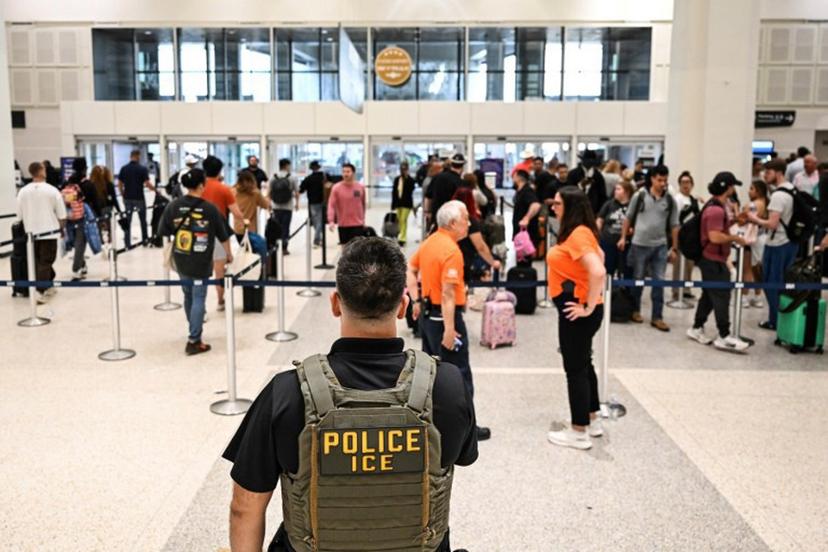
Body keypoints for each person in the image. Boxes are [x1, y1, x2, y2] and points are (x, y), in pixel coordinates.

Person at [223, 237, 477, 552]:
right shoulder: (448, 386)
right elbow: (462, 457)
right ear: (403, 307)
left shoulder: (287, 393)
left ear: (334, 303)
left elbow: (245, 507)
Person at [408, 200, 491, 442]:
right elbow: (448, 293)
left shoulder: (430, 241)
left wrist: (415, 299)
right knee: (459, 374)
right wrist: (450, 328)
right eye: (466, 218)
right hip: (444, 319)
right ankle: (467, 430)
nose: (469, 222)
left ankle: (433, 423)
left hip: (427, 316)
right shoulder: (451, 251)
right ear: (454, 222)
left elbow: (409, 269)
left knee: (431, 372)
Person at [545, 186, 607, 450]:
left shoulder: (579, 234)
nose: (553, 208)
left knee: (575, 370)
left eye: (558, 204)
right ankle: (592, 419)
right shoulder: (581, 232)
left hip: (577, 311)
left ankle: (578, 430)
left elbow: (598, 270)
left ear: (570, 207)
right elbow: (600, 256)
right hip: (577, 307)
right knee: (584, 364)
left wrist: (588, 306)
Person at [158, 169, 233, 356]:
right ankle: (194, 340)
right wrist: (229, 254)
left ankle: (193, 329)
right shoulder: (209, 208)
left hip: (181, 257)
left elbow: (163, 231)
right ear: (201, 185)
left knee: (188, 295)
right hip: (201, 260)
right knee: (199, 296)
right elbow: (223, 235)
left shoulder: (173, 206)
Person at [686, 173, 749, 352]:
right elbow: (714, 236)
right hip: (712, 260)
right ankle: (724, 335)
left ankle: (696, 327)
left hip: (713, 258)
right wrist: (735, 237)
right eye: (732, 186)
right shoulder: (716, 210)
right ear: (727, 187)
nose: (734, 189)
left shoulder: (715, 206)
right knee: (721, 294)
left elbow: (717, 228)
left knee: (709, 295)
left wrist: (735, 221)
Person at [620, 164, 679, 332]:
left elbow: (675, 225)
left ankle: (657, 317)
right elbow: (628, 218)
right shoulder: (639, 196)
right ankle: (635, 310)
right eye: (660, 180)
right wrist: (623, 237)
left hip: (660, 246)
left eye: (665, 180)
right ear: (652, 179)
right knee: (638, 279)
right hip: (639, 244)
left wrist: (674, 248)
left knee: (659, 282)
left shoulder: (669, 200)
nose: (663, 183)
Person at [746, 159, 798, 330]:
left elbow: (772, 224)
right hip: (791, 242)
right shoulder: (792, 189)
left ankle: (775, 321)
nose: (765, 175)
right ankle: (781, 319)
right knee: (782, 283)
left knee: (771, 282)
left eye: (768, 172)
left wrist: (754, 219)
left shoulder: (777, 195)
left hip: (777, 244)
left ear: (778, 173)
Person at [201, 155, 248, 312]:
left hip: (198, 232)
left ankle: (200, 306)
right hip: (218, 234)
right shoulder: (224, 189)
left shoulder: (198, 187)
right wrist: (244, 220)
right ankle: (220, 301)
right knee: (219, 270)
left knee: (199, 272)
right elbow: (236, 213)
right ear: (220, 170)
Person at [16, 162, 66, 303]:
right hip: (49, 231)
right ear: (42, 171)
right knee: (46, 261)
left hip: (31, 233)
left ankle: (48, 284)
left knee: (39, 261)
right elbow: (62, 214)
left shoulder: (23, 191)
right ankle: (40, 290)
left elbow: (19, 216)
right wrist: (62, 229)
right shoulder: (52, 190)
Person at [452, 187, 501, 283]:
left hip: (450, 257)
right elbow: (480, 246)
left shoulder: (448, 217)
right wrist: (492, 261)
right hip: (466, 260)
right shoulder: (469, 220)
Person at [671, 171, 701, 300]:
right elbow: (675, 220)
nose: (685, 185)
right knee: (679, 264)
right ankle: (677, 289)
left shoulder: (694, 200)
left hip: (692, 238)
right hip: (681, 235)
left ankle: (686, 289)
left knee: (689, 265)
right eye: (683, 182)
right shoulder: (677, 199)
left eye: (688, 182)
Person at [596, 180, 635, 278]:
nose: (615, 191)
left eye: (618, 189)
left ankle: (625, 291)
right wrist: (597, 234)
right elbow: (600, 219)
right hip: (608, 240)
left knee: (627, 269)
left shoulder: (632, 205)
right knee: (607, 268)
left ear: (626, 192)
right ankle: (607, 291)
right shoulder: (609, 204)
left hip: (626, 243)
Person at [740, 180, 769, 308]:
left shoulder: (753, 205)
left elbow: (742, 220)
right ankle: (757, 297)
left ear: (759, 191)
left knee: (747, 269)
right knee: (757, 269)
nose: (748, 191)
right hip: (763, 238)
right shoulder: (767, 203)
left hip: (751, 238)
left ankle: (744, 297)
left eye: (751, 189)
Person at [117, 149, 154, 248]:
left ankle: (127, 243)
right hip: (139, 198)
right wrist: (155, 190)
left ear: (130, 156)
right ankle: (145, 240)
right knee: (143, 220)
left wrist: (122, 194)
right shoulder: (142, 169)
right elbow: (147, 183)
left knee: (128, 221)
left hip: (128, 198)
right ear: (138, 156)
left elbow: (119, 184)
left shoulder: (124, 168)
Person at [327, 162, 366, 246]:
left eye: (348, 171)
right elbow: (331, 205)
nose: (345, 174)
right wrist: (331, 221)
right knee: (345, 250)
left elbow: (363, 205)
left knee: (357, 250)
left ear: (353, 173)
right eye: (343, 172)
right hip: (343, 224)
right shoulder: (336, 188)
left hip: (357, 224)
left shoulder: (360, 187)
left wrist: (363, 220)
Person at [424, 153, 466, 230]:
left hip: (436, 216)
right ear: (462, 167)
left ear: (451, 164)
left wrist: (427, 212)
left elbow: (428, 196)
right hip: (452, 219)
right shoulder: (460, 183)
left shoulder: (437, 177)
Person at [269, 159, 300, 254]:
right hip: (287, 207)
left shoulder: (273, 177)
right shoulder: (292, 177)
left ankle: (275, 246)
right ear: (286, 166)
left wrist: (269, 204)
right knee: (285, 227)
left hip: (275, 206)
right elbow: (296, 192)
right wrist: (297, 203)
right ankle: (284, 248)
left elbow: (269, 192)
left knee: (276, 227)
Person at [566, 150, 608, 216]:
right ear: (583, 161)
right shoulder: (573, 174)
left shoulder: (598, 176)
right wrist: (580, 186)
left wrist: (600, 212)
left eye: (592, 161)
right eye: (588, 161)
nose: (589, 163)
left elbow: (602, 195)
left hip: (593, 210)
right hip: (576, 209)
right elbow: (568, 191)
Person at [233, 170, 270, 241]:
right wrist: (268, 195)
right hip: (251, 229)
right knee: (251, 251)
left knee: (242, 249)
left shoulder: (233, 191)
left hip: (238, 229)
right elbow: (265, 205)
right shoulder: (255, 193)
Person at [511, 169, 542, 252]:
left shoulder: (527, 191)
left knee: (525, 260)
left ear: (518, 178)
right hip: (520, 232)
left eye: (513, 176)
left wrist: (527, 218)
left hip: (527, 234)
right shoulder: (520, 191)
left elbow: (536, 205)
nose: (512, 179)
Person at [299, 160, 326, 247]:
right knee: (320, 220)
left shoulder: (308, 178)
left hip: (312, 202)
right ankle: (319, 238)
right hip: (323, 201)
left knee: (315, 220)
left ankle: (317, 238)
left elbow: (301, 189)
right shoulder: (324, 176)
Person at [391, 161, 415, 246]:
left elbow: (411, 189)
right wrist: (393, 204)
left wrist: (406, 178)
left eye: (405, 169)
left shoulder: (410, 180)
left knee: (403, 219)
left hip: (407, 204)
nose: (403, 171)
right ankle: (400, 234)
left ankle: (403, 238)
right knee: (399, 219)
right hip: (398, 203)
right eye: (402, 169)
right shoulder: (397, 179)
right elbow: (394, 192)